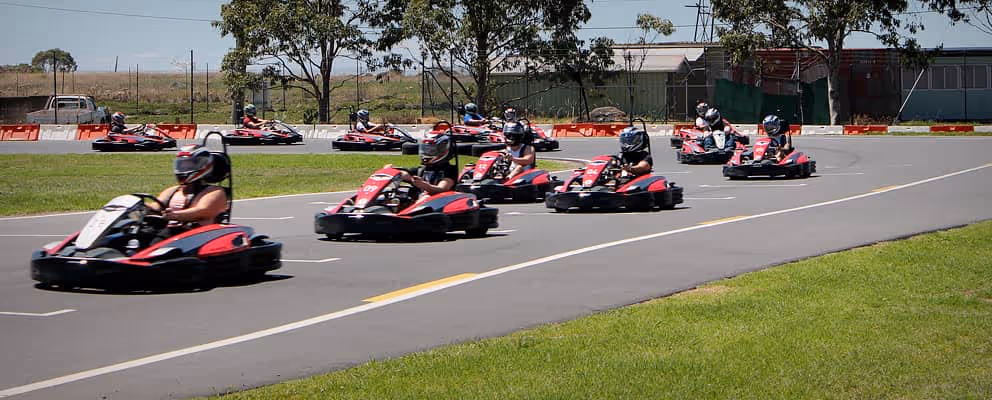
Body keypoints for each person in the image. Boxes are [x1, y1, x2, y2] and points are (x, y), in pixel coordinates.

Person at [154, 144, 229, 229]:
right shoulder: (173, 191)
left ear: (203, 165)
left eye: (189, 165)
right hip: (171, 233)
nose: (184, 168)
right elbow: (156, 207)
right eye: (182, 165)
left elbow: (202, 211)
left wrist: (176, 215)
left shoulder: (215, 192)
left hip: (198, 234)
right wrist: (141, 205)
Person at [383, 134, 458, 198]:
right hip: (420, 204)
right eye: (425, 150)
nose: (427, 153)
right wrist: (390, 171)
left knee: (426, 197)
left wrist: (425, 186)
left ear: (443, 151)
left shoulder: (449, 171)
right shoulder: (421, 170)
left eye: (431, 151)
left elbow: (442, 189)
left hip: (440, 204)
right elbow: (406, 174)